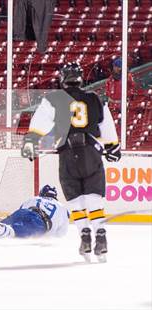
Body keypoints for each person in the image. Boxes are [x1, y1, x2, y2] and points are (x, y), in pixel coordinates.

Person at [21, 63, 121, 262]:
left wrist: (30, 142)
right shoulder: (95, 98)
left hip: (67, 154)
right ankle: (100, 234)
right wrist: (112, 148)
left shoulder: (53, 99)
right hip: (91, 153)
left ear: (62, 79)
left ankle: (84, 236)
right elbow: (107, 126)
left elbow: (38, 123)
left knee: (75, 199)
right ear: (80, 79)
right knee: (94, 197)